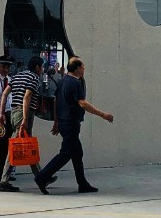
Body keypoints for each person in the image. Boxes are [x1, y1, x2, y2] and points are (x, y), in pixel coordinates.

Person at [34, 56, 112, 194]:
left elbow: (56, 101)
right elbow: (82, 103)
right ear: (77, 68)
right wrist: (102, 114)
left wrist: (56, 121)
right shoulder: (75, 83)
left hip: (64, 122)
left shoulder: (62, 81)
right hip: (71, 123)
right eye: (83, 67)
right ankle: (42, 177)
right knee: (65, 154)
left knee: (77, 153)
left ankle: (83, 184)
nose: (84, 69)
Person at [0, 55, 53, 192]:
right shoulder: (33, 78)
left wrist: (2, 113)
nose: (42, 70)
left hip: (14, 112)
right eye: (41, 67)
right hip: (24, 113)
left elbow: (4, 94)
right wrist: (25, 119)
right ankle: (4, 181)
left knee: (27, 144)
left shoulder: (17, 76)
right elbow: (27, 96)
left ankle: (41, 177)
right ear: (37, 67)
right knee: (16, 146)